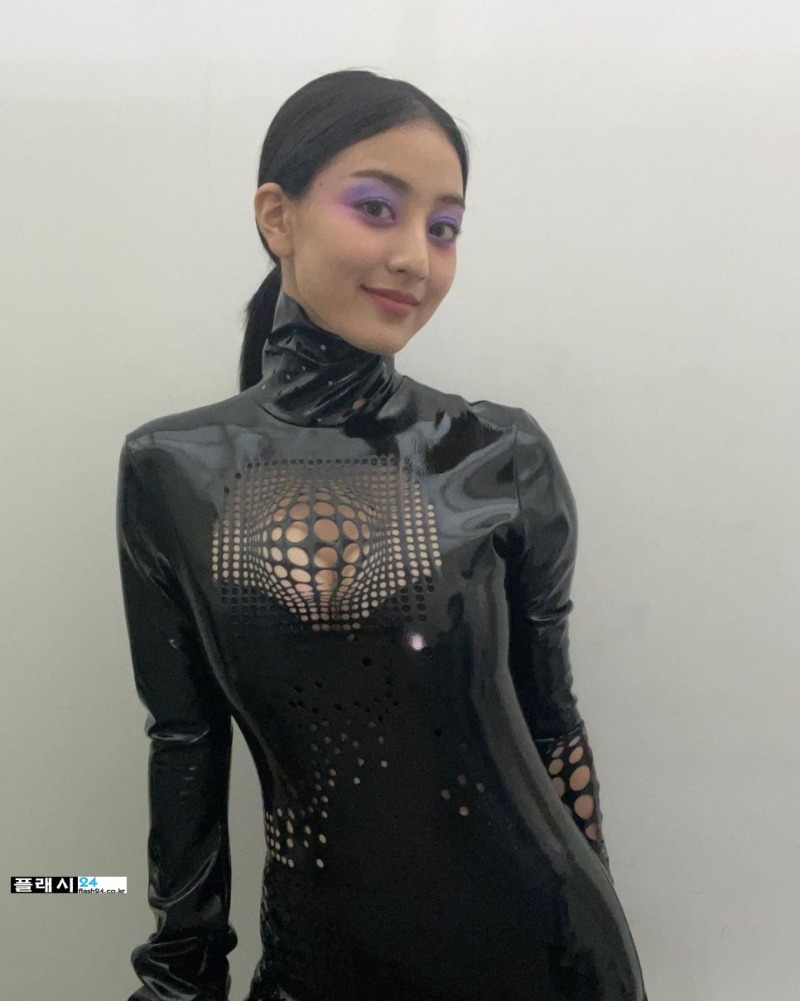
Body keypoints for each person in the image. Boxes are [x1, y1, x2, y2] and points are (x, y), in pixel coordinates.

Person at [117, 68, 648, 1001]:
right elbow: (186, 743)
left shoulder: (500, 453)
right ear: (277, 217)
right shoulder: (173, 469)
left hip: (544, 957)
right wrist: (179, 977)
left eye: (444, 227)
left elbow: (554, 727)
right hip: (317, 966)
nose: (415, 257)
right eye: (377, 208)